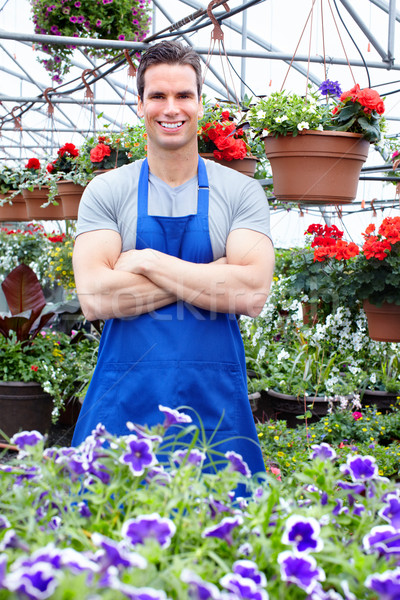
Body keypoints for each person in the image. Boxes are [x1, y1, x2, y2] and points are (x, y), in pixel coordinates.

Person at [71, 40, 274, 476]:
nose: (171, 107)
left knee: (219, 534)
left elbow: (253, 292)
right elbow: (96, 298)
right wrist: (216, 276)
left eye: (183, 95)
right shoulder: (107, 191)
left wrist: (145, 260)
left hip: (214, 411)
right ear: (140, 103)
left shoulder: (241, 192)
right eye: (158, 96)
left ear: (201, 103)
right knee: (109, 530)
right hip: (124, 405)